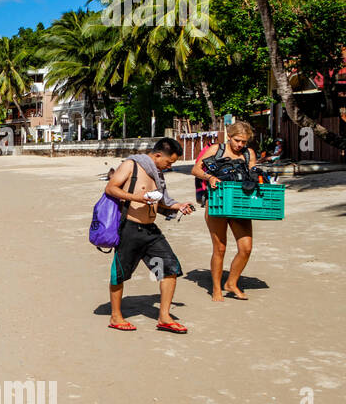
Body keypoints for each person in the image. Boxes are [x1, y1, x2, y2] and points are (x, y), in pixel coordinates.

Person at [106, 137, 196, 332]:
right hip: (129, 229)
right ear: (157, 155)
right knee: (120, 274)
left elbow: (161, 201)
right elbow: (111, 188)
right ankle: (116, 317)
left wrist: (179, 206)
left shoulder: (157, 174)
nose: (169, 166)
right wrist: (135, 197)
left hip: (151, 231)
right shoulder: (131, 165)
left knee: (170, 268)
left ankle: (164, 317)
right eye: (169, 162)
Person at [192, 120, 258, 302]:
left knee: (246, 248)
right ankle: (216, 289)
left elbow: (253, 173)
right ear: (229, 136)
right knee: (220, 248)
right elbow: (195, 169)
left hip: (240, 203)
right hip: (217, 203)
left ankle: (231, 282)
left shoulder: (248, 153)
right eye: (237, 140)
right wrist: (210, 177)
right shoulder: (215, 150)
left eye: (244, 142)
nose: (240, 145)